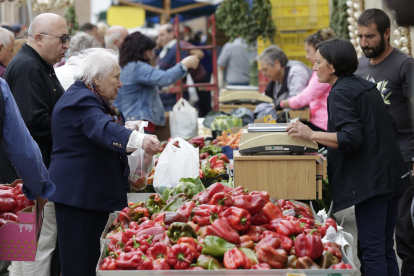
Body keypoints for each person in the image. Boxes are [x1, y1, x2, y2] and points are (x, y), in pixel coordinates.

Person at [287, 38, 410, 276]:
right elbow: (388, 126)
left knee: (373, 251)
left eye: (318, 62)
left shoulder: (340, 93)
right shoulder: (363, 85)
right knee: (385, 247)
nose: (313, 67)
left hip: (373, 182)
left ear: (332, 66)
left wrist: (311, 133)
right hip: (391, 175)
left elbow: (351, 137)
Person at [48, 48, 161, 275]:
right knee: (81, 263)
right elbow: (102, 127)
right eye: (116, 77)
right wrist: (139, 139)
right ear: (97, 79)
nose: (121, 84)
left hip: (89, 196)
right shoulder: (80, 99)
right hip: (80, 199)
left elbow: (100, 129)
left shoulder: (89, 96)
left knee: (91, 259)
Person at [0, 13, 70, 276]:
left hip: (20, 183)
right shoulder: (28, 68)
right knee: (36, 248)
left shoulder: (36, 65)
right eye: (63, 38)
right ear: (39, 38)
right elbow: (32, 123)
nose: (66, 45)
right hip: (29, 183)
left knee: (20, 253)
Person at [353, 9, 414, 276]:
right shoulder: (358, 66)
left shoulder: (405, 65)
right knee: (373, 243)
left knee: (404, 234)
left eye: (370, 36)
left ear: (387, 33)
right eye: (360, 37)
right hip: (372, 165)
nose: (365, 42)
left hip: (403, 159)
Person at [114, 32, 199, 133]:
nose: (151, 54)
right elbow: (165, 78)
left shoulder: (124, 65)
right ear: (139, 50)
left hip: (127, 120)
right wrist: (185, 64)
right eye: (149, 50)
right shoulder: (137, 67)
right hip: (138, 123)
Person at [279, 28, 334, 132]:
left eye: (308, 51)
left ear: (317, 48)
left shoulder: (324, 70)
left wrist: (281, 104)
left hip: (323, 125)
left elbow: (305, 97)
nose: (307, 57)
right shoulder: (323, 68)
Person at [254, 45, 312, 119]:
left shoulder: (296, 71)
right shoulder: (276, 80)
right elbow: (265, 98)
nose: (264, 74)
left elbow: (296, 103)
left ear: (277, 64)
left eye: (265, 69)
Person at [156, 23, 204, 111]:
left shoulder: (179, 45)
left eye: (162, 35)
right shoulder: (167, 48)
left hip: (173, 99)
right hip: (165, 98)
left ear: (171, 34)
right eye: (159, 35)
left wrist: (179, 78)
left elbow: (199, 53)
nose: (159, 38)